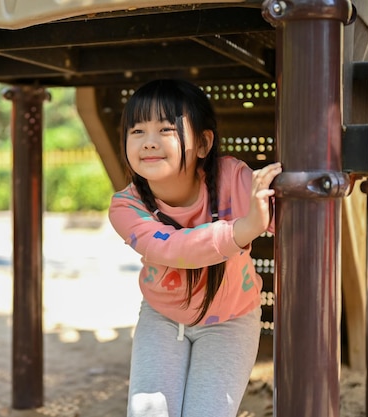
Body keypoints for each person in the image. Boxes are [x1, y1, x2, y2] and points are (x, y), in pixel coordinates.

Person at [108, 78, 282, 417]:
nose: (149, 142)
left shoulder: (231, 177)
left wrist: (271, 205)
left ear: (202, 143)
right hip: (163, 317)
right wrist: (245, 229)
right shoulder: (125, 207)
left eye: (166, 130)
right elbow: (173, 249)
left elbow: (284, 220)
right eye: (138, 131)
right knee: (148, 412)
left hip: (231, 320)